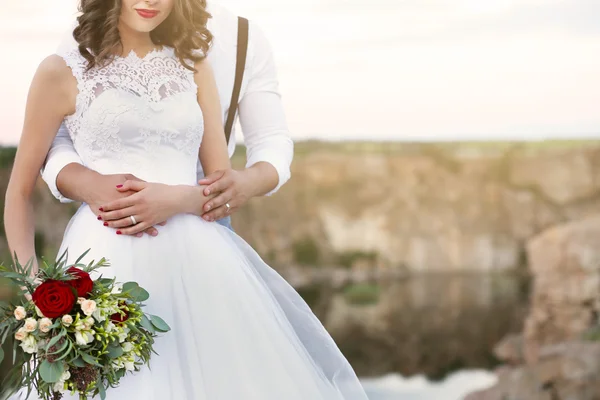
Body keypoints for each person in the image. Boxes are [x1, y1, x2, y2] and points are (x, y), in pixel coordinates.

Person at [3, 0, 369, 399]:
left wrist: (175, 199)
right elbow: (20, 191)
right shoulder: (60, 69)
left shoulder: (194, 66)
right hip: (105, 261)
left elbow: (220, 186)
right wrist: (39, 295)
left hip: (202, 262)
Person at [43, 1, 293, 234]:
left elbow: (271, 141)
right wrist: (88, 184)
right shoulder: (95, 26)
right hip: (114, 214)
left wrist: (244, 183)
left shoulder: (244, 37)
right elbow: (56, 133)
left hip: (206, 213)